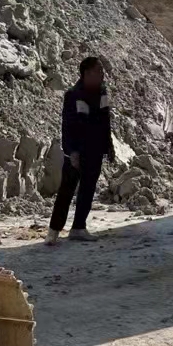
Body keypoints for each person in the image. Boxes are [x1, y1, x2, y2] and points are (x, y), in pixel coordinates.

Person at [46, 56, 115, 242]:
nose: (102, 74)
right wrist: (72, 152)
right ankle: (53, 231)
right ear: (87, 73)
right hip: (76, 151)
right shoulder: (73, 95)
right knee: (67, 190)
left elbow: (105, 121)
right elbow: (67, 126)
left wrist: (108, 145)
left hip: (95, 150)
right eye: (98, 71)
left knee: (88, 189)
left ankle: (78, 227)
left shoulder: (101, 92)